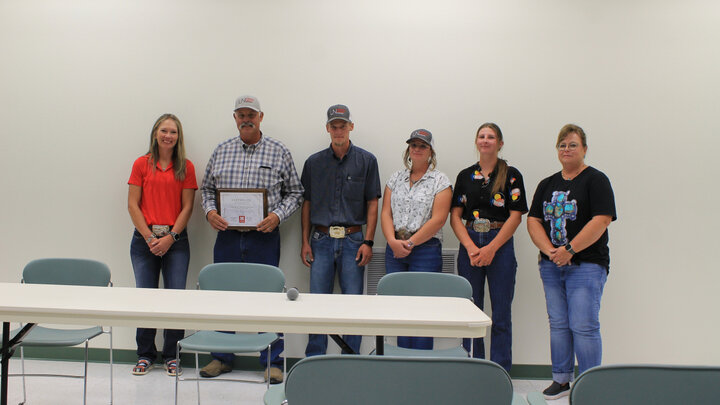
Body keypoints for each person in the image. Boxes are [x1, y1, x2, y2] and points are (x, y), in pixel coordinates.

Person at [200, 95, 303, 384]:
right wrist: (210, 212)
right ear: (234, 118)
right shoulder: (221, 151)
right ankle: (221, 358)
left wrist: (277, 216)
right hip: (227, 237)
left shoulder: (278, 150)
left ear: (261, 117)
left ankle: (272, 361)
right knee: (222, 296)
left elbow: (296, 193)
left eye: (251, 114)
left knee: (269, 298)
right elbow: (206, 190)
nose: (246, 118)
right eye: (241, 114)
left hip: (264, 237)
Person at [527, 124, 616, 400]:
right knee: (559, 324)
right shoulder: (547, 184)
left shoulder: (596, 180)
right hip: (552, 265)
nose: (567, 149)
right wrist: (551, 251)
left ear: (585, 149)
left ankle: (590, 385)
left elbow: (601, 220)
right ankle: (561, 380)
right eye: (562, 145)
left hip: (586, 265)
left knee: (584, 325)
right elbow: (533, 221)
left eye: (573, 144)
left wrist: (569, 249)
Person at [300, 104, 381, 356]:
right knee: (317, 303)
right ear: (327, 129)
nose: (338, 130)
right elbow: (307, 203)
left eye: (342, 126)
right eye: (333, 126)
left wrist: (368, 241)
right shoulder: (313, 163)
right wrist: (304, 241)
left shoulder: (367, 161)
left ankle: (350, 359)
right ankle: (314, 358)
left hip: (353, 241)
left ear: (351, 127)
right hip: (320, 240)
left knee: (352, 304)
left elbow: (372, 203)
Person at [450, 123, 527, 372]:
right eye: (481, 136)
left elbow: (516, 216)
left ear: (500, 143)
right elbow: (455, 216)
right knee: (471, 313)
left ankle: (500, 371)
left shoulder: (512, 175)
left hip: (500, 244)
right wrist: (471, 247)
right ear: (476, 142)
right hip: (470, 242)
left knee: (501, 314)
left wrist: (492, 248)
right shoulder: (465, 176)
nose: (485, 140)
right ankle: (474, 369)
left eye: (491, 137)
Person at [127, 113, 197, 377]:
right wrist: (149, 238)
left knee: (174, 299)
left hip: (176, 241)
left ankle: (172, 355)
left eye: (174, 132)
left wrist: (170, 238)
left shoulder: (185, 167)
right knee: (145, 299)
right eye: (164, 131)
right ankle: (145, 354)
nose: (168, 136)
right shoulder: (141, 164)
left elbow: (188, 206)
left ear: (179, 137)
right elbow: (133, 204)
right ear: (155, 133)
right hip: (143, 240)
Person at [380, 129, 452, 350]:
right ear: (408, 150)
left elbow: (439, 219)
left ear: (430, 151)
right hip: (395, 248)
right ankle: (402, 358)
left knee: (423, 309)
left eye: (422, 146)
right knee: (399, 307)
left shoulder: (440, 181)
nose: (417, 149)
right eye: (414, 145)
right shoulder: (396, 178)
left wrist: (410, 244)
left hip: (425, 250)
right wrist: (392, 241)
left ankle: (421, 362)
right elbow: (386, 213)